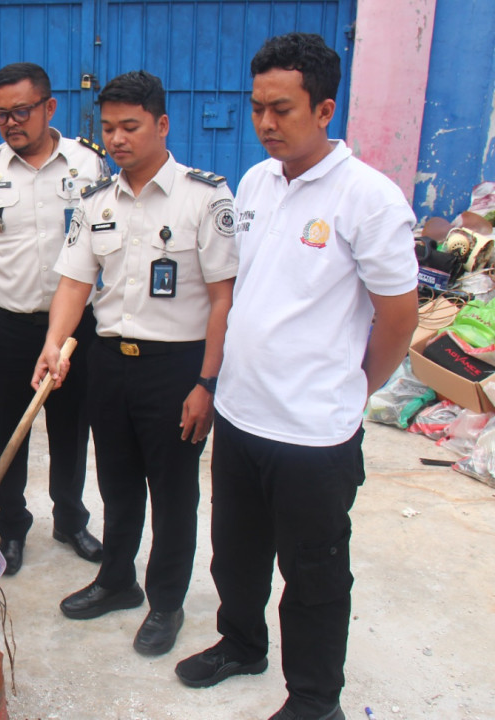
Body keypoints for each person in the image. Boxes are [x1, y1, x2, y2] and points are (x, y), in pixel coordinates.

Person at [173, 34, 419, 720]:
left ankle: (314, 698)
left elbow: (398, 318)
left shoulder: (367, 198)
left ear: (326, 108)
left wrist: (354, 389)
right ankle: (241, 643)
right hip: (244, 416)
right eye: (257, 108)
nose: (265, 123)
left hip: (314, 433)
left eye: (281, 109)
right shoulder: (255, 182)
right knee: (236, 555)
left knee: (312, 573)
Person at [33, 70, 238, 656]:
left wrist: (207, 381)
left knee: (173, 491)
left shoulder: (205, 197)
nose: (117, 139)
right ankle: (117, 580)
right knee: (118, 483)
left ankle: (166, 601)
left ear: (161, 124)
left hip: (176, 368)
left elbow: (224, 297)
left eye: (130, 126)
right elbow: (75, 282)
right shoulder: (96, 201)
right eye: (108, 128)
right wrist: (55, 342)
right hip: (109, 362)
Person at [0, 62, 108, 575]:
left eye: (22, 111)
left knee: (71, 428)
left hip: (75, 329)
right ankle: (12, 527)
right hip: (6, 327)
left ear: (49, 107)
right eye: (1, 114)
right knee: (7, 433)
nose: (11, 123)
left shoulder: (88, 164)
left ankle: (70, 519)